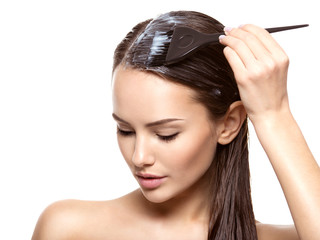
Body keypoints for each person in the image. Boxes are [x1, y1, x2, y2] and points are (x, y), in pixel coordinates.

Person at [32, 11, 320, 240]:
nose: (139, 157)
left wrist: (274, 115)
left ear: (229, 124)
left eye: (165, 134)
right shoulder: (67, 229)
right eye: (126, 130)